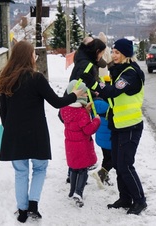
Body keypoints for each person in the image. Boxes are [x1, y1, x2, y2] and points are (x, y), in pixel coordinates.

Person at [0, 40, 85, 223]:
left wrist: (10, 128)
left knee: (20, 172)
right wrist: (75, 95)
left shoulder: (6, 79)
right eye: (33, 53)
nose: (35, 57)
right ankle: (33, 204)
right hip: (36, 134)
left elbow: (2, 112)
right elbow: (57, 103)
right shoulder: (36, 79)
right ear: (28, 57)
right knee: (40, 168)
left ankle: (22, 210)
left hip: (15, 135)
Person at [80, 38, 147, 215]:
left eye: (117, 52)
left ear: (125, 54)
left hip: (131, 126)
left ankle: (140, 200)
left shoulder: (130, 73)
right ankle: (125, 198)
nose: (114, 55)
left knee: (126, 165)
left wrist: (94, 83)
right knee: (118, 164)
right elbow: (109, 90)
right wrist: (97, 85)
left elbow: (113, 91)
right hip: (118, 124)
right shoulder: (119, 72)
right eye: (114, 52)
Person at [64, 38, 106, 184]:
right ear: (97, 52)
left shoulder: (82, 57)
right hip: (77, 104)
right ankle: (77, 172)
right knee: (80, 139)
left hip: (71, 103)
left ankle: (73, 171)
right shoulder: (88, 65)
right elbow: (82, 83)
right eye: (102, 53)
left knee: (74, 140)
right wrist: (92, 92)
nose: (101, 57)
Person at [60, 79, 101, 207]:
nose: (86, 96)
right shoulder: (82, 112)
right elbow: (88, 129)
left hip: (70, 145)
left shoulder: (64, 110)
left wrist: (86, 111)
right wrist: (96, 121)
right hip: (82, 146)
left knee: (73, 168)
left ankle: (72, 191)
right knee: (83, 170)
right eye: (83, 94)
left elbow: (74, 121)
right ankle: (79, 192)